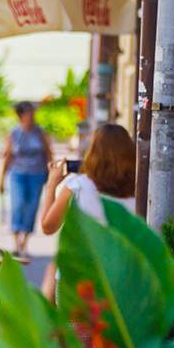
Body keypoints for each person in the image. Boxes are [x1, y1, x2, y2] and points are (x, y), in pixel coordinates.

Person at [37, 124, 138, 297]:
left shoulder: (77, 186)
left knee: (74, 324)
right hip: (119, 279)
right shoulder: (139, 192)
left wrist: (52, 184)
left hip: (78, 279)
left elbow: (48, 226)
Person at [0, 102, 52, 260]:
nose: (31, 117)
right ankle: (16, 243)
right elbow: (8, 156)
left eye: (32, 114)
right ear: (21, 116)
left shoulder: (40, 132)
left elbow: (48, 153)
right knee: (18, 204)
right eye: (28, 114)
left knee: (32, 207)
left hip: (37, 174)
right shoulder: (14, 134)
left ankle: (25, 243)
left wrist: (51, 174)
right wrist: (1, 180)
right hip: (18, 174)